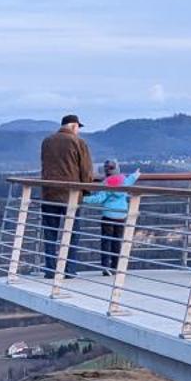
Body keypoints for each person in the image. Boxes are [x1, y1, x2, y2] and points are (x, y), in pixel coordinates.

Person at [36, 114, 94, 274]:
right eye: (78, 128)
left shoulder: (47, 141)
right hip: (71, 195)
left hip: (49, 193)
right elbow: (86, 169)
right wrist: (87, 190)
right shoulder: (78, 142)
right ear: (74, 126)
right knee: (72, 233)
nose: (78, 131)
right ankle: (69, 269)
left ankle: (50, 268)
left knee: (50, 233)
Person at [81, 159, 139, 272]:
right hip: (121, 216)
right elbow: (130, 180)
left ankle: (105, 266)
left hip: (108, 216)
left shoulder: (106, 183)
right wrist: (136, 174)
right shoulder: (124, 181)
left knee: (106, 241)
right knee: (117, 241)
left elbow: (99, 198)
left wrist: (82, 198)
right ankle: (115, 266)